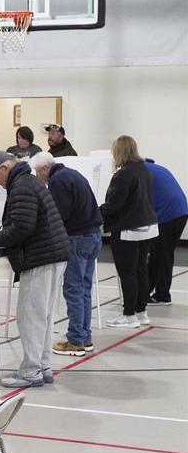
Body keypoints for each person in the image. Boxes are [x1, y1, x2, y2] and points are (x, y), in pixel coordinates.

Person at [0, 152, 70, 387]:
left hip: (40, 257)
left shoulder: (21, 186)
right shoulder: (29, 181)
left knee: (30, 317)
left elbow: (22, 227)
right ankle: (43, 366)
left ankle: (31, 371)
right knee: (43, 316)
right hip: (53, 255)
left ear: (4, 168)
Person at [30, 152, 102, 357]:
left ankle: (76, 340)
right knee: (84, 288)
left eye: (37, 172)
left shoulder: (57, 181)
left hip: (77, 238)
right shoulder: (72, 174)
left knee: (74, 289)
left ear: (45, 169)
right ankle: (84, 336)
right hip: (93, 236)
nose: (37, 177)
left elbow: (59, 215)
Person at [100, 135, 157, 328]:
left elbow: (114, 204)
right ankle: (141, 312)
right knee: (141, 270)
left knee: (128, 273)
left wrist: (95, 212)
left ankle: (129, 314)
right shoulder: (143, 169)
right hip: (147, 226)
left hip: (128, 229)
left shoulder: (123, 173)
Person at [145, 158, 188, 305]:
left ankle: (163, 295)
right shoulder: (154, 168)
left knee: (162, 254)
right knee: (158, 253)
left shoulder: (139, 171)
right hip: (180, 212)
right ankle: (146, 291)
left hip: (168, 215)